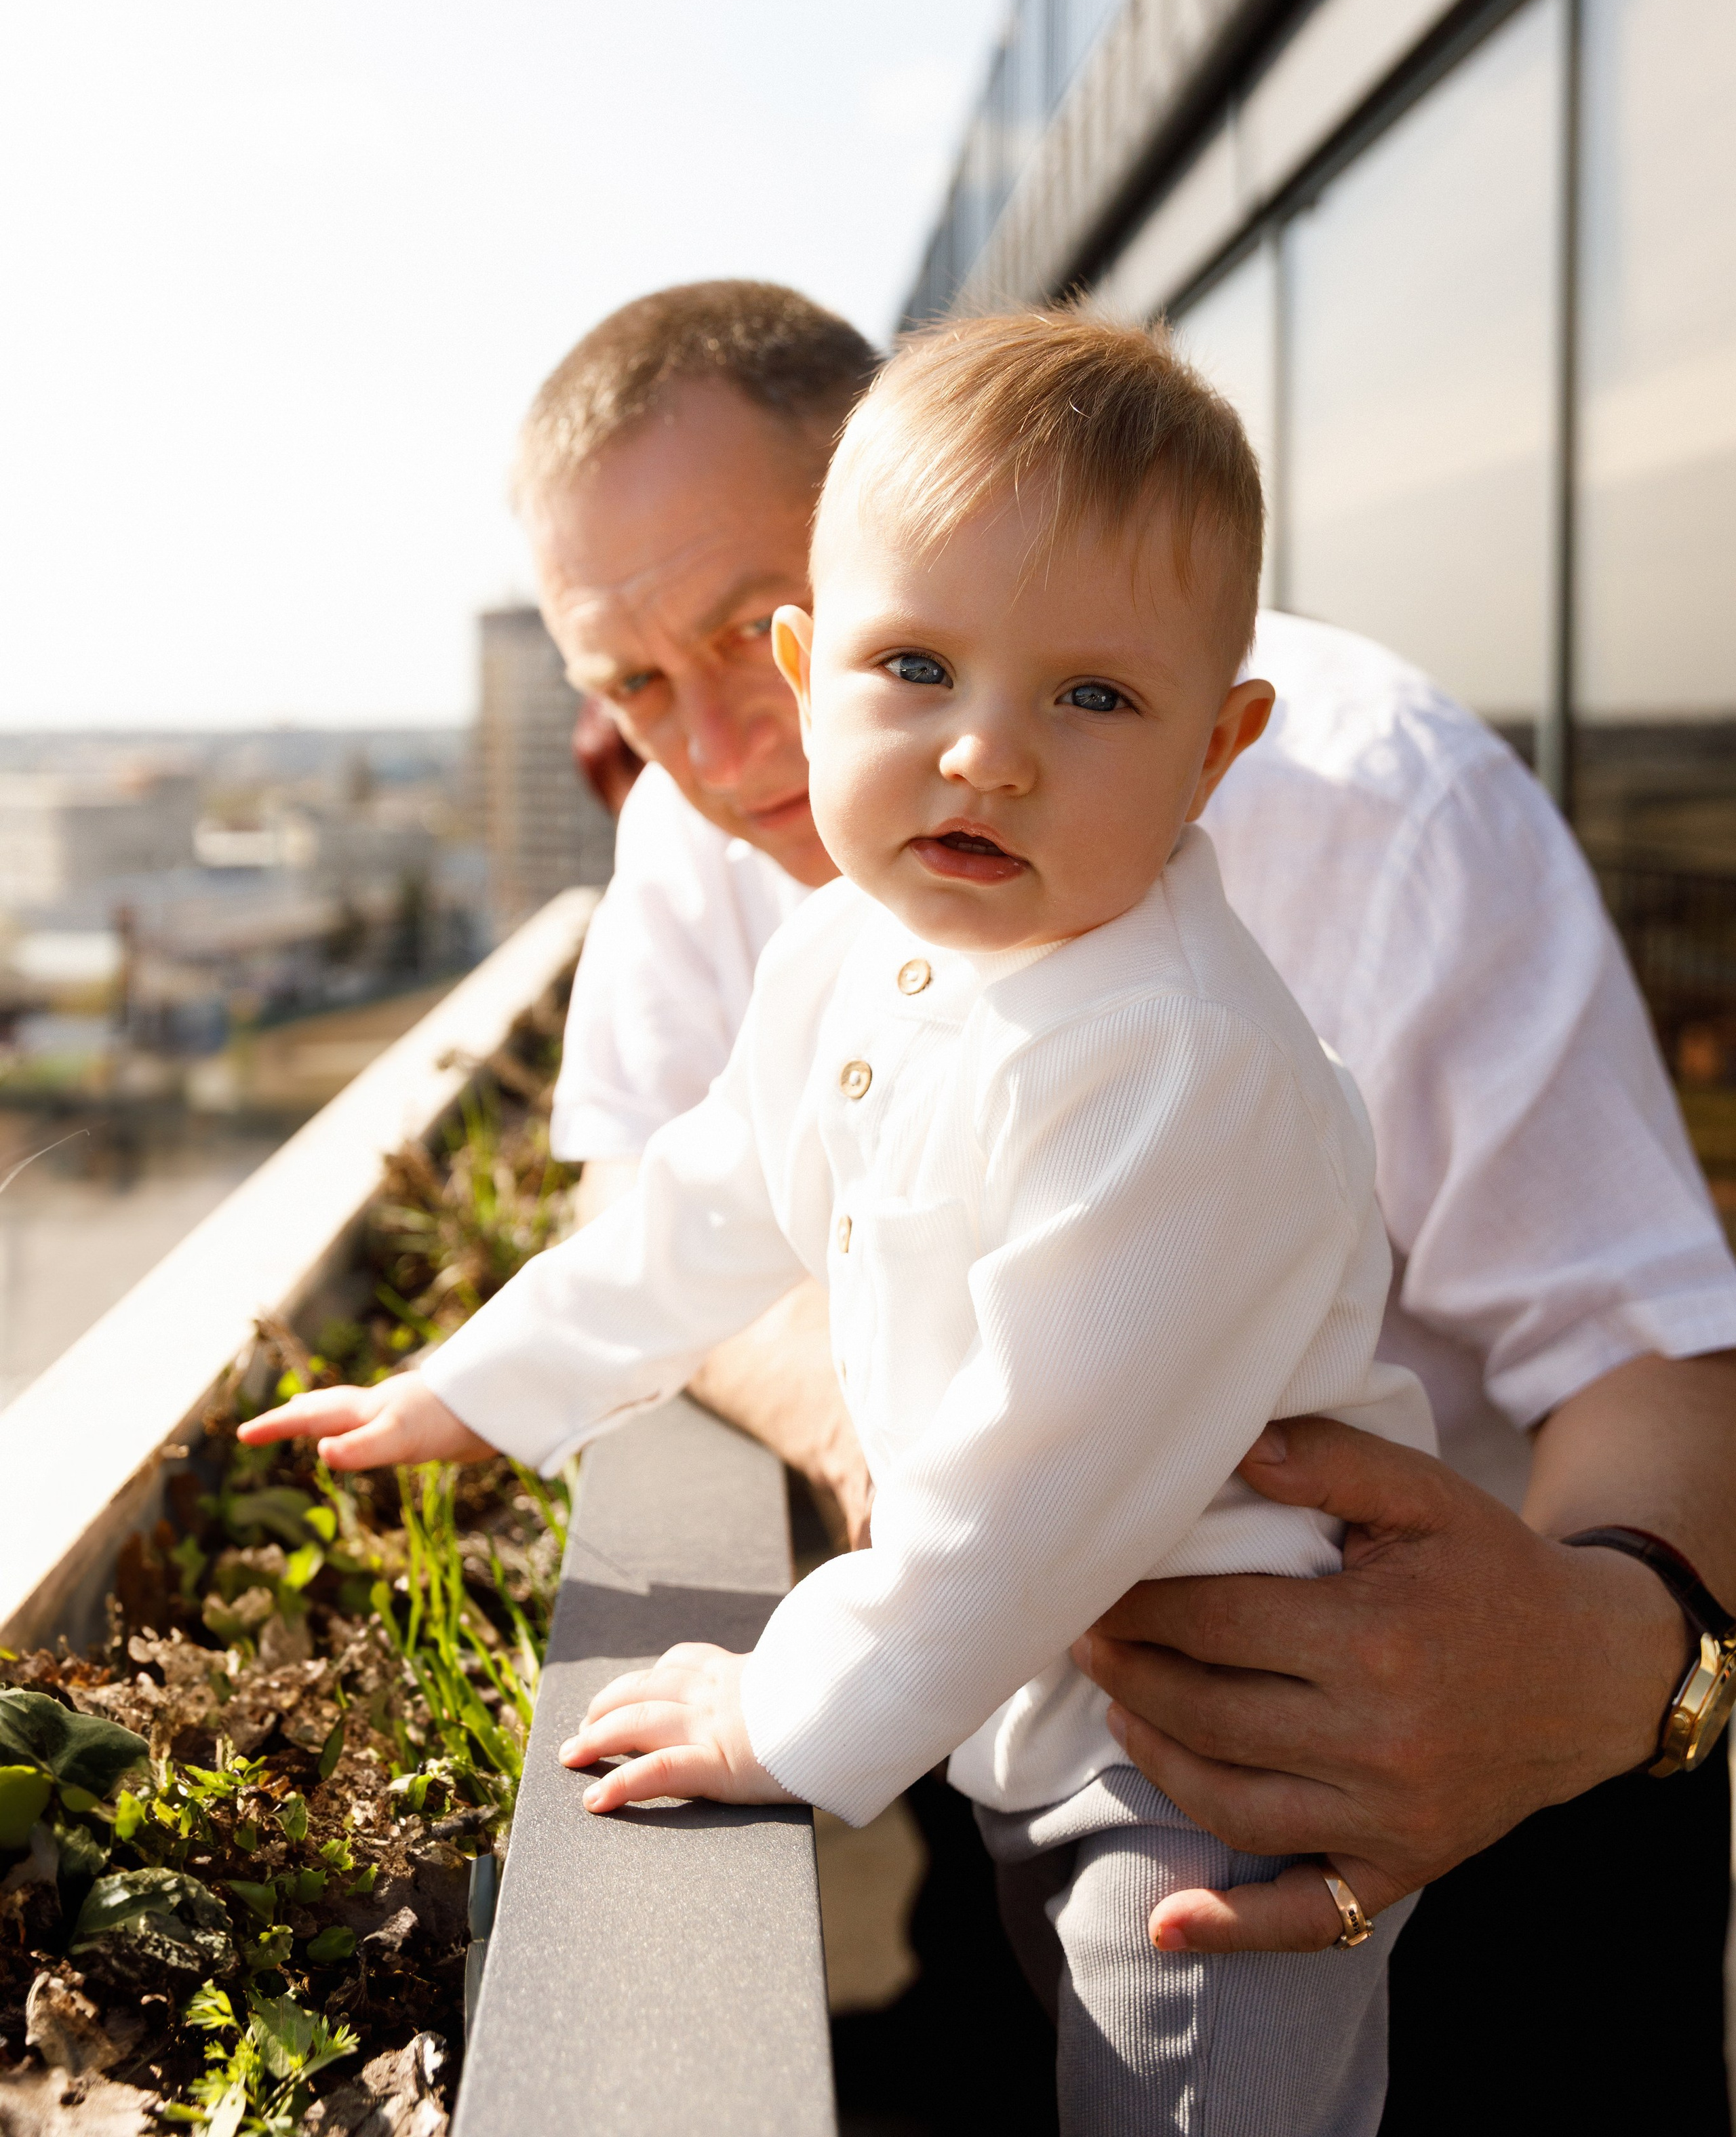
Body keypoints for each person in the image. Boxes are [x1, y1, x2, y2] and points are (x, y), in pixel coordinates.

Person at [511, 280, 1736, 2134]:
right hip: (1007, 1737)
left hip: (1474, 1772)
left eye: (739, 641)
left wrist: (1601, 1668)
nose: (719, 743)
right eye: (635, 684)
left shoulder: (1384, 805)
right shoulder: (709, 819)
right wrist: (901, 1432)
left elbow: (1655, 1348)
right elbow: (639, 1168)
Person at [245, 313, 1444, 2132]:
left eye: (1093, 698)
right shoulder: (851, 950)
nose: (984, 756)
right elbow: (713, 1205)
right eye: (914, 668)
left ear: (1218, 750)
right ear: (824, 673)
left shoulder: (1179, 1067)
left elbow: (1030, 1491)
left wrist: (776, 1719)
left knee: (1177, 2076)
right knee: (1055, 2034)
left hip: (1223, 1755)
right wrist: (477, 1391)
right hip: (1024, 1695)